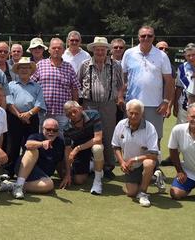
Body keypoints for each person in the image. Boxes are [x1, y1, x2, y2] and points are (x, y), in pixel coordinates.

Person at [77, 37, 124, 178]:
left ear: (107, 50)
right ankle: (91, 165)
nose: (100, 51)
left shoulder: (116, 65)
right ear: (92, 50)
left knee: (108, 135)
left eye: (103, 49)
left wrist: (119, 98)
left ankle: (108, 166)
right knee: (90, 135)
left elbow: (121, 84)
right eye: (97, 49)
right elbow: (78, 83)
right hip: (89, 104)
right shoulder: (85, 65)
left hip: (108, 105)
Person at [121, 25, 173, 146]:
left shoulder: (162, 55)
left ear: (153, 37)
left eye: (149, 36)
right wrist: (120, 97)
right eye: (143, 36)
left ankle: (153, 164)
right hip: (132, 103)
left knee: (155, 137)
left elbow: (169, 81)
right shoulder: (129, 53)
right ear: (138, 37)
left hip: (155, 104)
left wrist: (165, 102)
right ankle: (132, 164)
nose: (146, 38)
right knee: (130, 136)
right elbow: (122, 78)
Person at [0, 118, 64, 199]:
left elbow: (59, 161)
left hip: (41, 176)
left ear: (57, 132)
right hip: (24, 169)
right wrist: (42, 143)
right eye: (48, 129)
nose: (51, 132)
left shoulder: (60, 143)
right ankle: (19, 185)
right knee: (32, 151)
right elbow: (28, 144)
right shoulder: (36, 136)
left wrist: (65, 176)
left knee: (49, 185)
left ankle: (14, 185)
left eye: (54, 130)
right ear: (43, 129)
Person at [112, 99, 161, 207]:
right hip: (131, 166)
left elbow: (153, 154)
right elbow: (116, 146)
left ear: (142, 114)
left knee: (149, 163)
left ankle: (143, 193)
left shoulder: (150, 128)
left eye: (137, 113)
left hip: (145, 161)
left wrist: (133, 159)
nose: (133, 116)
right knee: (131, 193)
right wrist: (121, 162)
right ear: (127, 112)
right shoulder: (120, 124)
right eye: (131, 113)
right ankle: (153, 178)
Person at [30, 37, 79, 134]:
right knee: (44, 140)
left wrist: (74, 108)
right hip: (44, 111)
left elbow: (75, 88)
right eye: (54, 48)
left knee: (62, 139)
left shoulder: (68, 67)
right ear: (49, 50)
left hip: (63, 112)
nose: (56, 50)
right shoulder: (40, 65)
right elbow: (32, 84)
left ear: (63, 50)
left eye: (59, 48)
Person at [5, 58, 45, 177]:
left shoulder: (37, 86)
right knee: (13, 145)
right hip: (14, 117)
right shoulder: (11, 85)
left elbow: (39, 103)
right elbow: (9, 103)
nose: (24, 70)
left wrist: (29, 114)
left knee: (30, 144)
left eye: (27, 67)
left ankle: (28, 170)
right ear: (17, 70)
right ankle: (9, 171)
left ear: (30, 71)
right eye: (21, 67)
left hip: (31, 118)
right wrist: (19, 115)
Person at [61, 101, 105, 195]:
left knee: (97, 148)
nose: (72, 115)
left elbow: (98, 139)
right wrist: (68, 174)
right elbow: (68, 150)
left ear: (80, 109)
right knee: (78, 180)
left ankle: (97, 181)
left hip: (92, 144)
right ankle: (92, 165)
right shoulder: (66, 128)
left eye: (74, 111)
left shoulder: (94, 115)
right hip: (82, 150)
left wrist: (77, 149)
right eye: (69, 114)